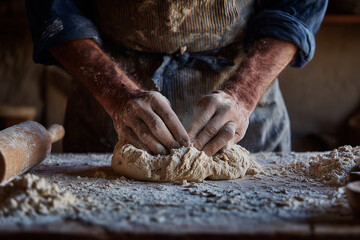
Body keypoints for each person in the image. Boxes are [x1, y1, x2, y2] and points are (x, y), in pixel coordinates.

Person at [26, 0, 328, 155]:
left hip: (244, 101)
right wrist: (117, 94)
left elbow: (299, 6)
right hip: (107, 105)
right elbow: (55, 9)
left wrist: (243, 93)